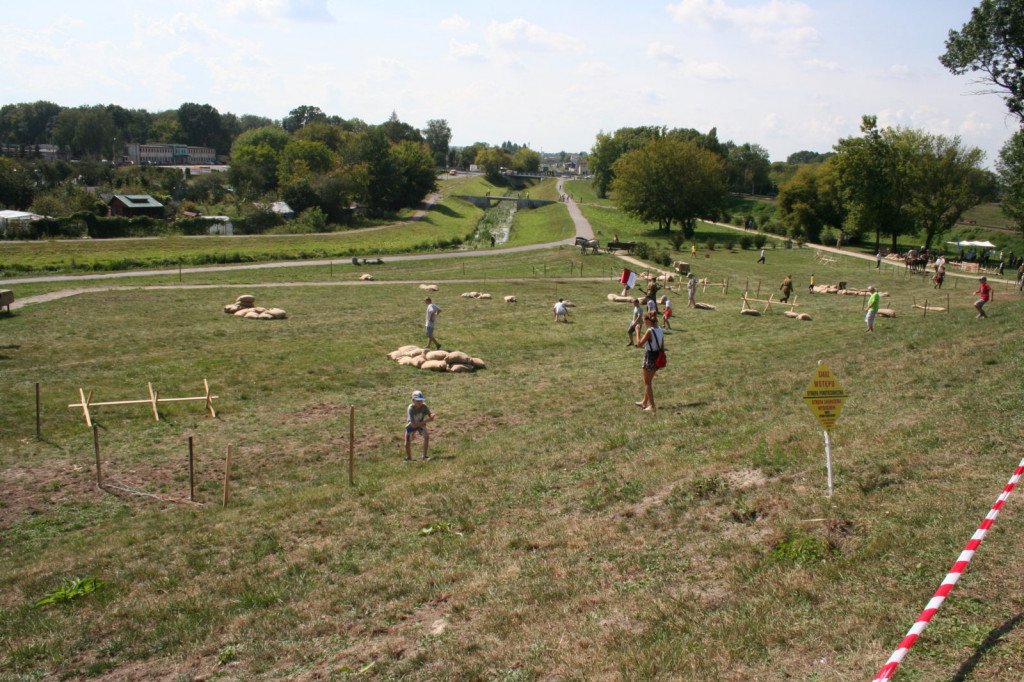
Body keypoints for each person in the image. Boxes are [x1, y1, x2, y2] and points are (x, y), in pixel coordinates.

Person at [636, 311, 664, 412]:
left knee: (647, 382)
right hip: (657, 356)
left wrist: (637, 331)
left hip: (650, 356)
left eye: (644, 322)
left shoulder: (649, 331)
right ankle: (644, 401)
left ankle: (652, 405)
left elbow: (639, 344)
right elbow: (662, 346)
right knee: (649, 381)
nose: (644, 324)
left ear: (648, 321)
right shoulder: (660, 329)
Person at [404, 390, 435, 461]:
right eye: (418, 401)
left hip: (420, 425)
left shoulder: (424, 406)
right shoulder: (410, 409)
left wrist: (431, 415)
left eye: (421, 401)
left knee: (426, 436)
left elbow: (429, 413)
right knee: (407, 443)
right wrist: (427, 420)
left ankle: (424, 456)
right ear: (413, 400)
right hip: (411, 426)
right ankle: (409, 457)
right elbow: (413, 425)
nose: (420, 403)